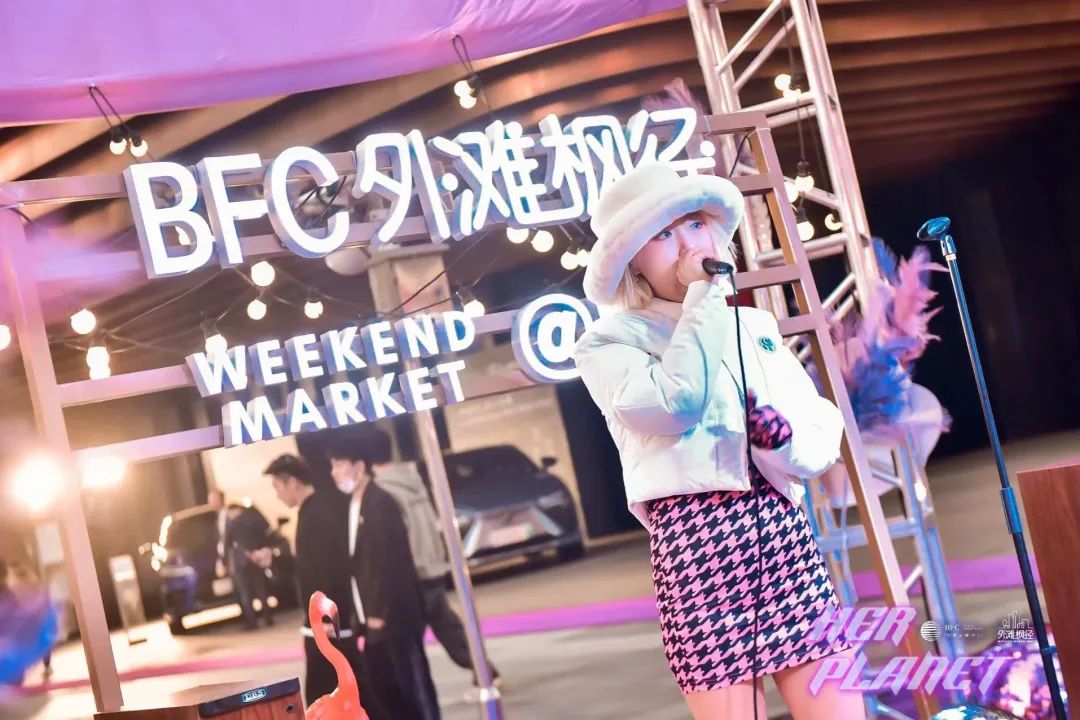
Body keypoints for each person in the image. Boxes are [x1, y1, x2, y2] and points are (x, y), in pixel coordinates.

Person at [572, 163, 864, 720]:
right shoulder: (608, 343)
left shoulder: (754, 327)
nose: (688, 245)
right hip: (698, 552)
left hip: (783, 538)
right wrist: (705, 295)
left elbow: (821, 430)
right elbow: (675, 402)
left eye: (694, 224)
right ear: (633, 260)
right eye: (663, 234)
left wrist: (782, 443)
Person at [365, 433, 500, 694]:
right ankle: (485, 671)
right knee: (446, 626)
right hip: (433, 563)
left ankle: (483, 674)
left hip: (414, 570)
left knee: (417, 636)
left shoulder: (383, 491)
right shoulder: (413, 478)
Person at [327, 429, 441, 720]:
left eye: (339, 465)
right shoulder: (355, 504)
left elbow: (391, 563)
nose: (334, 473)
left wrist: (378, 612)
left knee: (411, 687)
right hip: (372, 620)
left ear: (359, 466)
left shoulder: (381, 502)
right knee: (384, 687)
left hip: (394, 617)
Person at [264, 454, 375, 712]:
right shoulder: (312, 513)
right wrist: (275, 560)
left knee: (332, 699)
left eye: (277, 487)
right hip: (323, 626)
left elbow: (331, 570)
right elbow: (308, 568)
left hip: (326, 629)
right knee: (345, 698)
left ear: (293, 483)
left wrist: (327, 621)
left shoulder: (315, 517)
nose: (277, 495)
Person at [221, 502, 275, 630]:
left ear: (234, 511)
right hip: (257, 557)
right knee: (261, 589)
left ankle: (252, 622)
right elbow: (266, 532)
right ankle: (268, 618)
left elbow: (227, 544)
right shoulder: (254, 518)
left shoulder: (232, 524)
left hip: (241, 560)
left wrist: (224, 563)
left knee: (246, 593)